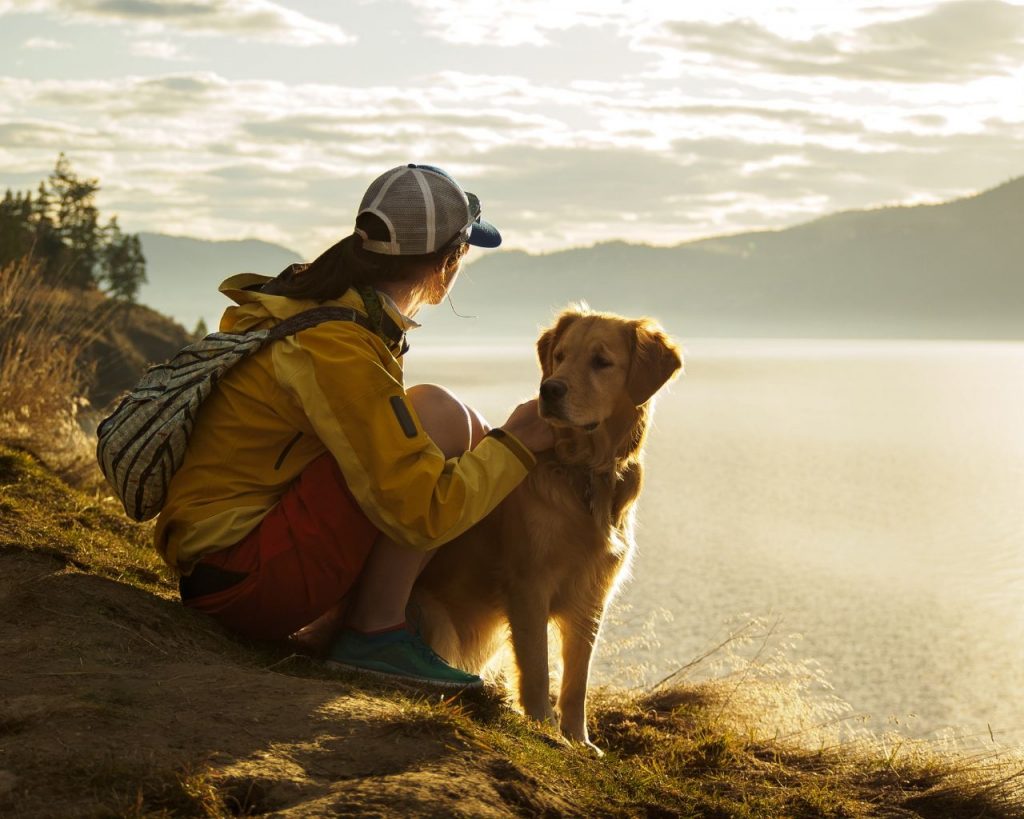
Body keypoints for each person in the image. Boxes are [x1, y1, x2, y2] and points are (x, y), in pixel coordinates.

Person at [154, 164, 554, 688]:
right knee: (442, 415)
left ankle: (360, 622)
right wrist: (516, 446)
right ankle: (373, 632)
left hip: (223, 565)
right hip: (245, 580)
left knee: (455, 423)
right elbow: (418, 512)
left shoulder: (328, 308)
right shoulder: (338, 344)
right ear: (449, 261)